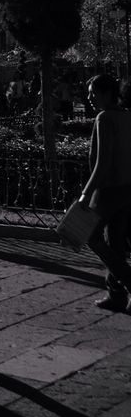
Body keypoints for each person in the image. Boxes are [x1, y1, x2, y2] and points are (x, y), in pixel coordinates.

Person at [80, 73, 131, 311]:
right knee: (116, 240)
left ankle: (128, 282)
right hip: (127, 187)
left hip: (108, 188)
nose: (89, 98)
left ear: (107, 94)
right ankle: (117, 295)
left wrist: (86, 193)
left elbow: (102, 162)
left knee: (91, 235)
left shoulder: (104, 118)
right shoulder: (127, 116)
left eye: (94, 93)